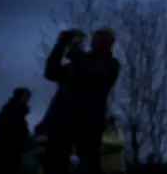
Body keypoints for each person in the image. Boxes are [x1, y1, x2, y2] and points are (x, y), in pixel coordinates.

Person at [43, 27, 120, 174]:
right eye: (97, 37)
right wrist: (61, 45)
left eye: (103, 38)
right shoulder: (79, 62)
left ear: (110, 43)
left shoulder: (110, 63)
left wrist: (75, 50)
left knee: (89, 163)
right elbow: (51, 72)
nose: (98, 41)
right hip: (63, 121)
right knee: (55, 163)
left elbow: (94, 76)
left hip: (88, 123)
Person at [0, 87, 33, 172]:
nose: (27, 99)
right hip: (9, 152)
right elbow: (12, 133)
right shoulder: (12, 111)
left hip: (12, 151)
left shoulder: (15, 110)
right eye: (25, 96)